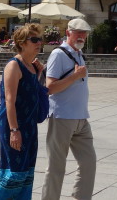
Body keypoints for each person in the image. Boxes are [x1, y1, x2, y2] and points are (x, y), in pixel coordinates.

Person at [0, 23, 44, 199]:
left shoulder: (32, 67)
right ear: (21, 42)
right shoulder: (14, 65)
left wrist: (40, 74)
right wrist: (14, 130)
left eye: (40, 39)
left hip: (29, 124)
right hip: (14, 124)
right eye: (34, 39)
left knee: (27, 172)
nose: (39, 43)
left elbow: (34, 93)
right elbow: (9, 101)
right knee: (14, 173)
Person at [42, 17, 96, 200]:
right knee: (56, 166)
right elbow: (49, 88)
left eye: (84, 33)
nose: (82, 36)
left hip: (81, 118)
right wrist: (74, 76)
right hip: (61, 117)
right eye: (78, 32)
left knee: (89, 163)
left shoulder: (79, 53)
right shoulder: (58, 54)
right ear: (68, 33)